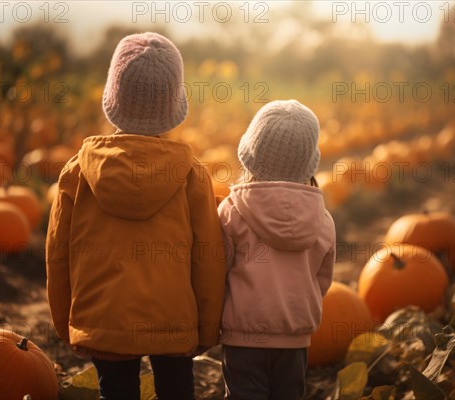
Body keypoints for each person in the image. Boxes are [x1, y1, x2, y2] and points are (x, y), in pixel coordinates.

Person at [46, 32, 226, 400]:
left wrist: (68, 323)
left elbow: (58, 253)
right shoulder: (192, 175)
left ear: (112, 99)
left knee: (117, 392)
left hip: (104, 320)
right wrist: (207, 330)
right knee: (177, 391)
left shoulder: (77, 173)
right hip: (173, 322)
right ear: (174, 106)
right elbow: (209, 257)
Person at [218, 100, 336, 399]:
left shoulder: (231, 211)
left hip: (243, 338)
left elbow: (218, 270)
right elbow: (322, 280)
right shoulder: (322, 219)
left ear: (251, 157)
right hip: (294, 339)